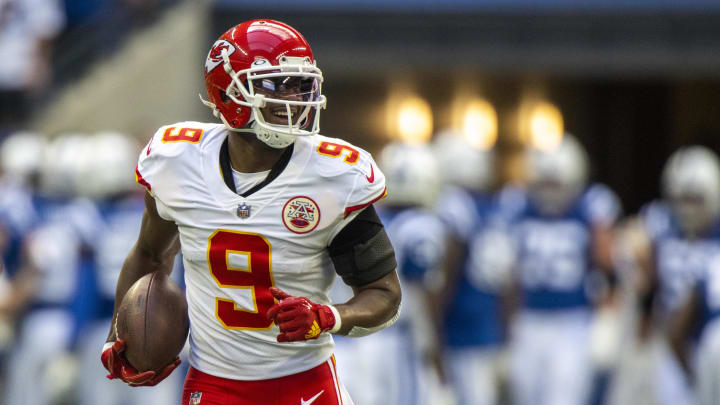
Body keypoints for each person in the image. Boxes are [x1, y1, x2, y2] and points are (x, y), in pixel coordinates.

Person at [101, 20, 401, 405]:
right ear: (228, 93)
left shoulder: (333, 176)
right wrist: (120, 336)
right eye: (276, 85)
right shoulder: (178, 161)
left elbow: (384, 294)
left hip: (303, 384)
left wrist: (329, 316)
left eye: (299, 84)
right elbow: (148, 255)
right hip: (214, 384)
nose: (294, 98)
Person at [332, 142, 454, 405]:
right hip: (392, 339)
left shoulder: (363, 219)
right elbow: (425, 295)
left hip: (345, 341)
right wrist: (436, 350)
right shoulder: (422, 226)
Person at [505, 134, 621, 405]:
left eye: (556, 183)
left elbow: (606, 264)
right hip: (529, 319)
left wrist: (607, 316)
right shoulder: (517, 207)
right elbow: (508, 276)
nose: (549, 191)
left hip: (573, 321)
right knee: (525, 396)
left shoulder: (590, 207)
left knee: (564, 398)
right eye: (544, 183)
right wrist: (507, 324)